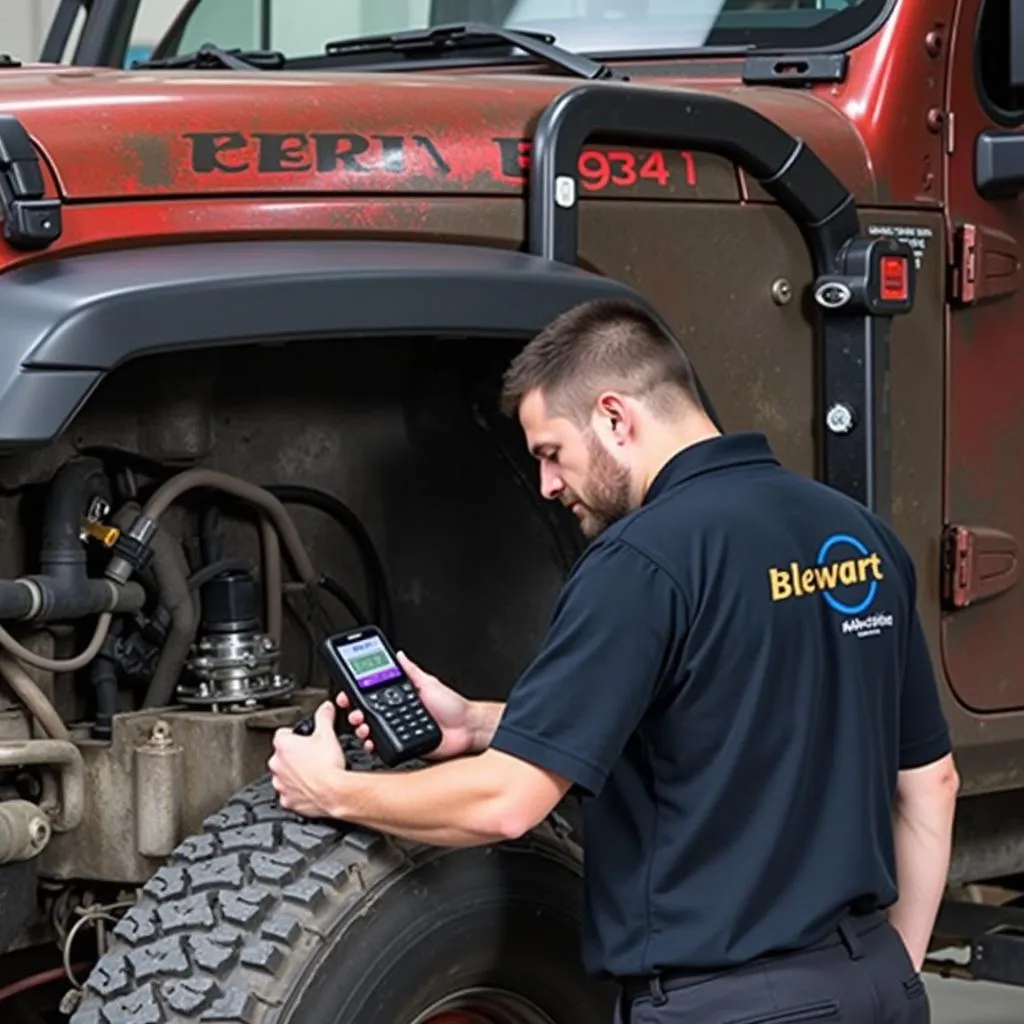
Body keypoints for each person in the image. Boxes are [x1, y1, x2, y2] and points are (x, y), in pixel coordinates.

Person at [268, 298, 959, 1023]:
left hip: (727, 1006)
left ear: (614, 417)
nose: (547, 486)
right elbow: (928, 781)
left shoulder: (639, 561)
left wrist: (334, 793)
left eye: (549, 453)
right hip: (875, 988)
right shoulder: (859, 534)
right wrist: (476, 723)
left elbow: (507, 804)